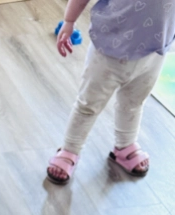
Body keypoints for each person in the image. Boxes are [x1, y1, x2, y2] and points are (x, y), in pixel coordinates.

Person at [47, 0, 175, 184]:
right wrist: (69, 21)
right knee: (89, 104)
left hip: (154, 49)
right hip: (109, 49)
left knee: (134, 102)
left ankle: (125, 144)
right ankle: (70, 149)